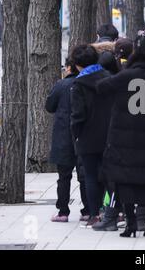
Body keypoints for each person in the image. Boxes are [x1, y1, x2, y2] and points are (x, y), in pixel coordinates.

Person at [97, 35, 145, 238]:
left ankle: (130, 226)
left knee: (125, 180)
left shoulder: (126, 76)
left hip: (125, 139)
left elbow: (102, 88)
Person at [70, 45, 114, 228]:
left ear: (78, 64)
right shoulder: (109, 78)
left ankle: (94, 214)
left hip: (87, 136)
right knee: (110, 174)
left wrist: (76, 134)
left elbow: (77, 114)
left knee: (90, 175)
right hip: (110, 134)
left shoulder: (79, 84)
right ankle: (113, 212)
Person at [46, 58, 89, 223]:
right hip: (82, 135)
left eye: (65, 66)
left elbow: (49, 106)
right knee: (84, 176)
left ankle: (63, 211)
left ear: (70, 67)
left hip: (63, 136)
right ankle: (88, 210)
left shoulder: (60, 85)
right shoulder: (85, 84)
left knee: (63, 176)